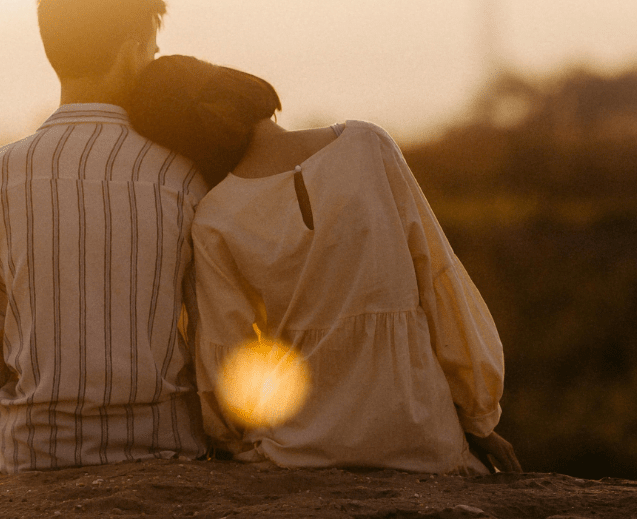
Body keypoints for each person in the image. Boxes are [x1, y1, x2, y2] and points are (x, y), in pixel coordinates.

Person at [126, 55, 521, 475]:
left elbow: (229, 359)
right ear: (239, 85)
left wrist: (231, 439)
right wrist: (479, 417)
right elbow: (439, 281)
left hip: (298, 451)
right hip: (421, 437)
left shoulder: (214, 218)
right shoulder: (368, 145)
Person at [0, 0, 208, 473]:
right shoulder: (184, 176)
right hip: (167, 454)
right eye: (152, 50)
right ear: (134, 49)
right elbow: (215, 335)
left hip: (37, 457)